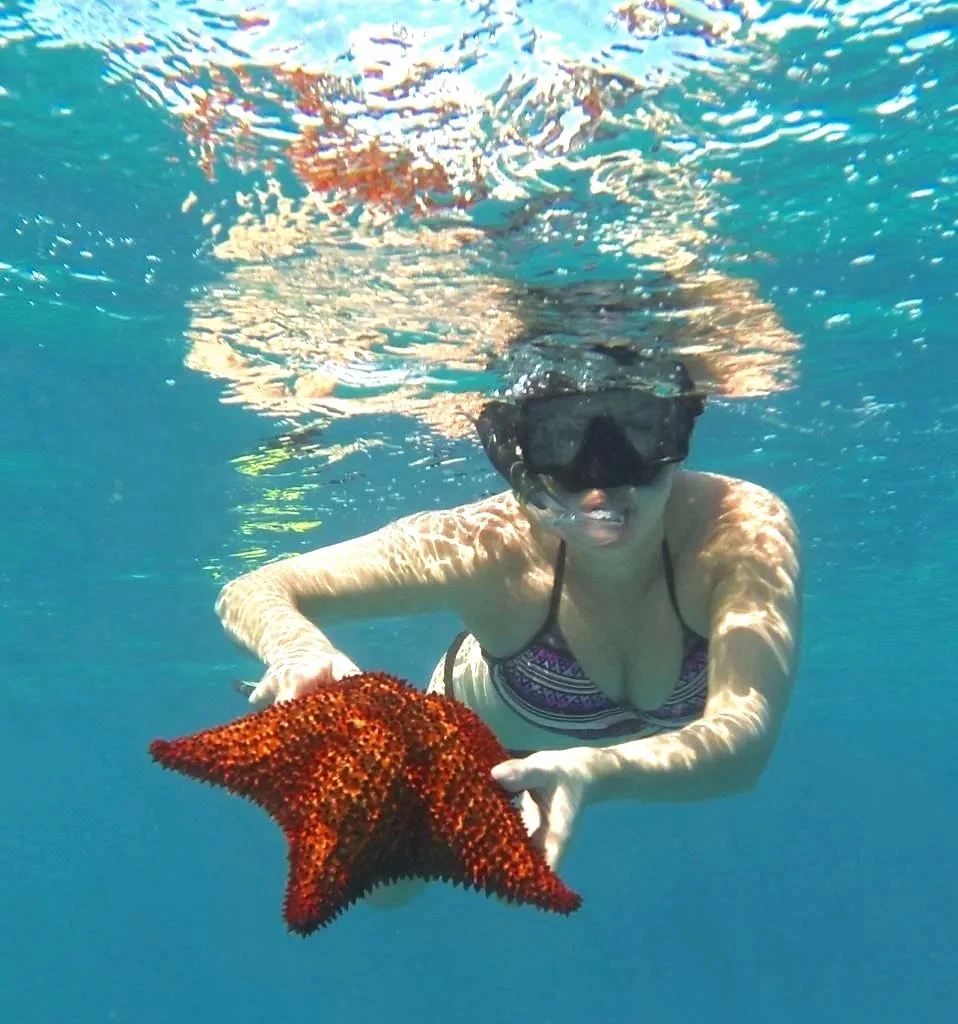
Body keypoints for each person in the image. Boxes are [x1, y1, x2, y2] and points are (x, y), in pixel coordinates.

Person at [215, 344, 802, 901]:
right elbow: (253, 588)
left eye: (639, 430)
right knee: (389, 889)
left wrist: (597, 772)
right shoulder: (484, 543)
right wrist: (294, 649)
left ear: (679, 431)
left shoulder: (738, 528)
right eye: (562, 439)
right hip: (473, 745)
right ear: (517, 455)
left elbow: (744, 745)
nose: (603, 480)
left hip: (585, 769)